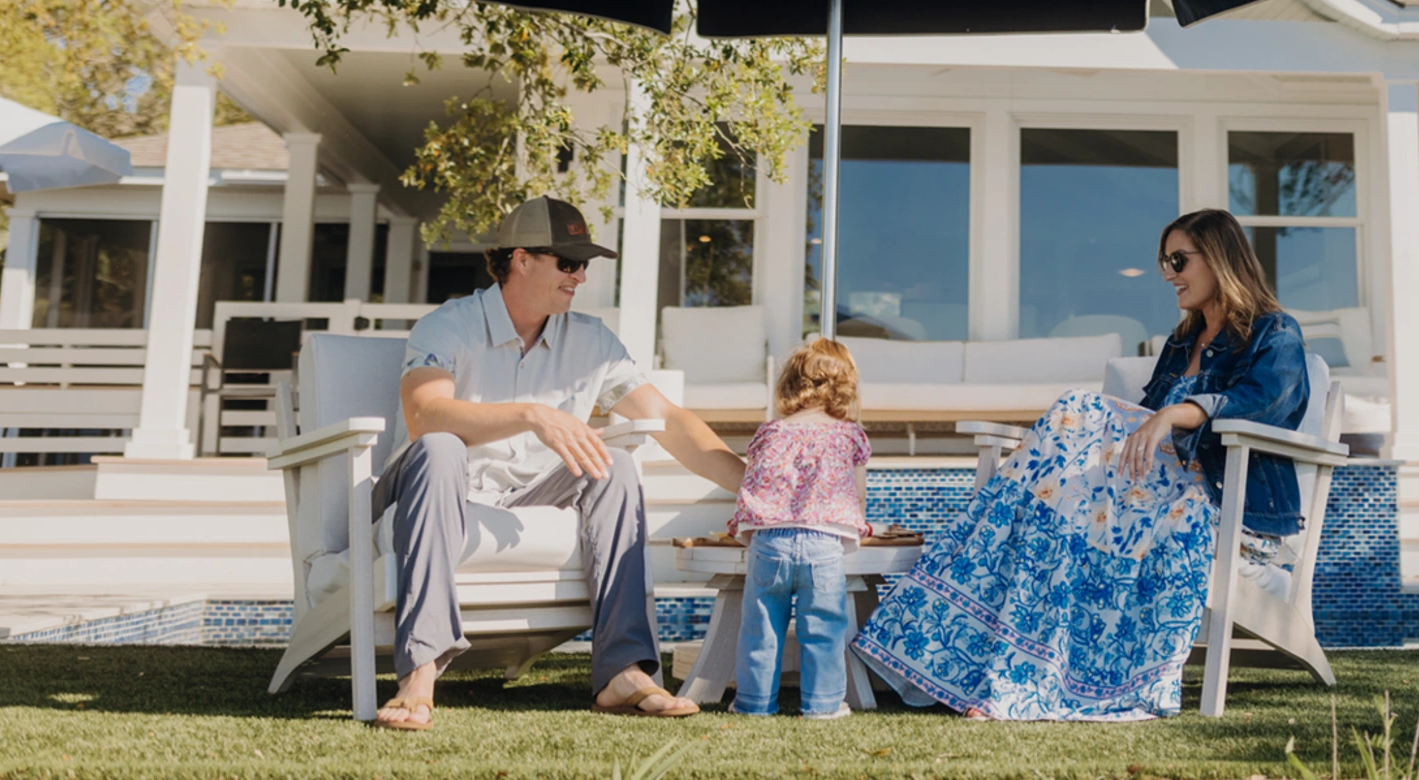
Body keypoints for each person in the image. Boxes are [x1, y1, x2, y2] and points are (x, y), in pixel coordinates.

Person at [853, 208, 1308, 720]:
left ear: (1221, 258)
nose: (1167, 274)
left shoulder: (1274, 332)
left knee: (1076, 414)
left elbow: (1266, 399)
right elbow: (1139, 424)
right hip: (1154, 494)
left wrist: (1177, 413)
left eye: (1178, 260)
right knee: (1048, 507)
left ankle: (1006, 674)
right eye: (1164, 261)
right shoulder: (1183, 340)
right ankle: (1007, 675)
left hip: (1231, 504)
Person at [373, 196, 747, 731]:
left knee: (613, 463)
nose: (581, 276)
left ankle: (624, 671)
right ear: (521, 259)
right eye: (568, 263)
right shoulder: (447, 325)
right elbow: (425, 415)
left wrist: (758, 485)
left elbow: (665, 417)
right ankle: (421, 670)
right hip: (432, 485)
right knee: (441, 446)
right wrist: (532, 414)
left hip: (527, 492)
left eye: (584, 264)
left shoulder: (592, 340)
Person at [726, 336, 871, 718]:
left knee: (760, 629)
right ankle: (822, 706)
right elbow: (857, 496)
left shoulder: (771, 432)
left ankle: (753, 705)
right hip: (824, 544)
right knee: (823, 629)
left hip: (769, 541)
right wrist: (860, 527)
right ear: (845, 388)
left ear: (790, 385)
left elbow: (752, 483)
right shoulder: (850, 434)